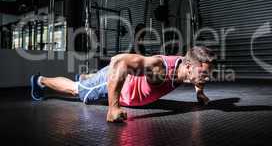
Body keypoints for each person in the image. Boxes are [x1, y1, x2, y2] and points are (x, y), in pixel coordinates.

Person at [30, 46, 216, 122]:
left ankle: (87, 77)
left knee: (87, 81)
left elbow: (198, 78)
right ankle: (40, 80)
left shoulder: (187, 67)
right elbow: (119, 62)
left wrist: (199, 92)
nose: (206, 78)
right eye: (204, 74)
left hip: (123, 83)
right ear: (190, 66)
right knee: (75, 90)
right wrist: (113, 107)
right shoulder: (160, 69)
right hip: (114, 86)